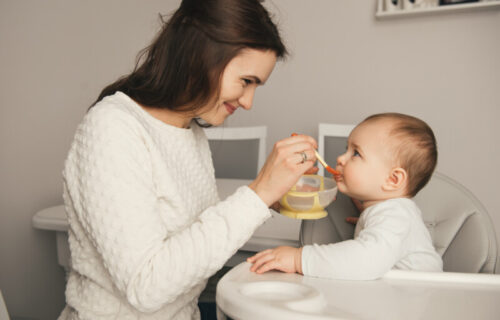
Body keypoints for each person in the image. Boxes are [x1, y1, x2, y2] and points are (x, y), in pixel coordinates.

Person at [59, 0, 319, 319]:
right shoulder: (111, 128)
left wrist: (265, 201)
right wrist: (257, 194)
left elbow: (191, 239)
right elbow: (147, 285)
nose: (249, 102)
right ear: (201, 56)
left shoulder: (188, 129)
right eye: (246, 81)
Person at [248, 113, 443, 280]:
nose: (341, 158)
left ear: (393, 179)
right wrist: (369, 221)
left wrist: (298, 259)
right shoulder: (391, 213)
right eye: (346, 149)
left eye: (356, 153)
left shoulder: (395, 216)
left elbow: (366, 261)